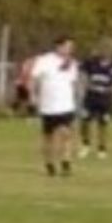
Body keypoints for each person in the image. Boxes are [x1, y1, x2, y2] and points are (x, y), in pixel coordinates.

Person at [30, 36, 79, 176]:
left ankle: (66, 163)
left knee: (66, 134)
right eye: (67, 46)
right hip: (48, 106)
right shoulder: (44, 60)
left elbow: (72, 82)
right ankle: (49, 163)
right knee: (49, 137)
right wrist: (32, 96)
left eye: (71, 47)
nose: (69, 49)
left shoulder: (72, 63)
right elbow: (33, 78)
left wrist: (75, 99)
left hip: (66, 105)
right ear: (59, 46)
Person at [78, 42, 112, 159]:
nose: (106, 52)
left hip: (106, 97)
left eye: (108, 50)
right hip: (91, 96)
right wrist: (83, 86)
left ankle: (102, 148)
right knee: (85, 121)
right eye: (103, 50)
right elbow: (81, 72)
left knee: (103, 123)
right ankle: (85, 145)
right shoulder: (91, 62)